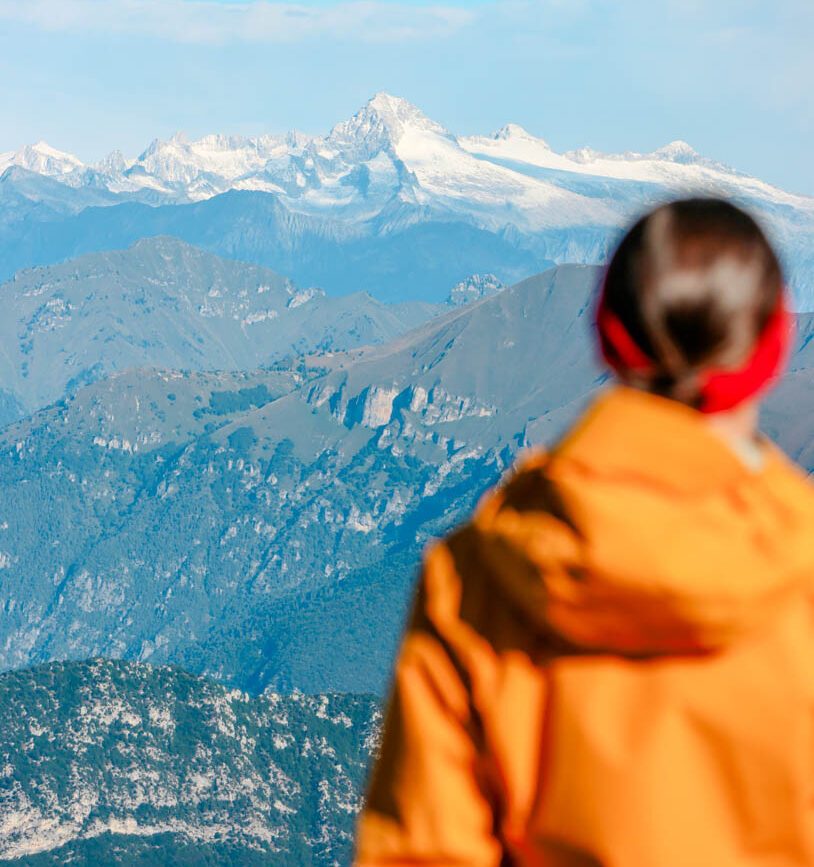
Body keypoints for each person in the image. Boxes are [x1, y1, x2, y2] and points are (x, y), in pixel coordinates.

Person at [352, 197, 814, 866]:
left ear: (604, 333)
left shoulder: (475, 577)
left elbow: (423, 851)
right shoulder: (799, 572)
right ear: (770, 350)